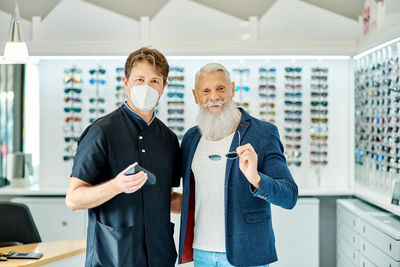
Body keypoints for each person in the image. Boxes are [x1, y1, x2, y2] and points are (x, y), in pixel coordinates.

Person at [65, 47, 182, 267]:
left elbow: (168, 198)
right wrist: (117, 186)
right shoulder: (101, 132)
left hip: (159, 256)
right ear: (126, 83)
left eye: (154, 81)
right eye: (139, 79)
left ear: (164, 87)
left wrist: (214, 200)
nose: (146, 87)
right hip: (113, 256)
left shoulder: (169, 139)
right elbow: (73, 199)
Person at [177, 63, 298, 267]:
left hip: (247, 254)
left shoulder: (263, 133)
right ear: (196, 96)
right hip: (202, 253)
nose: (214, 97)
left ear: (232, 89)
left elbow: (289, 196)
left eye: (220, 88)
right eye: (206, 91)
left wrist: (256, 179)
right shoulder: (191, 138)